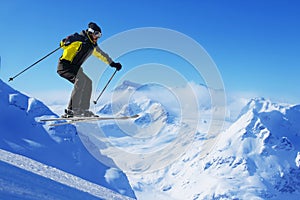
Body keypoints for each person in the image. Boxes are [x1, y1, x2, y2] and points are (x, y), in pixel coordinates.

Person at [57, 22, 122, 118]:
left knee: (88, 82)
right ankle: (71, 110)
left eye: (99, 35)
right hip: (64, 66)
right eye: (97, 34)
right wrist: (65, 41)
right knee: (80, 81)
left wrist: (112, 64)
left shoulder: (92, 46)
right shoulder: (78, 38)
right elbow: (63, 45)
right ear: (91, 32)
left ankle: (83, 110)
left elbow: (102, 55)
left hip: (76, 69)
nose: (98, 37)